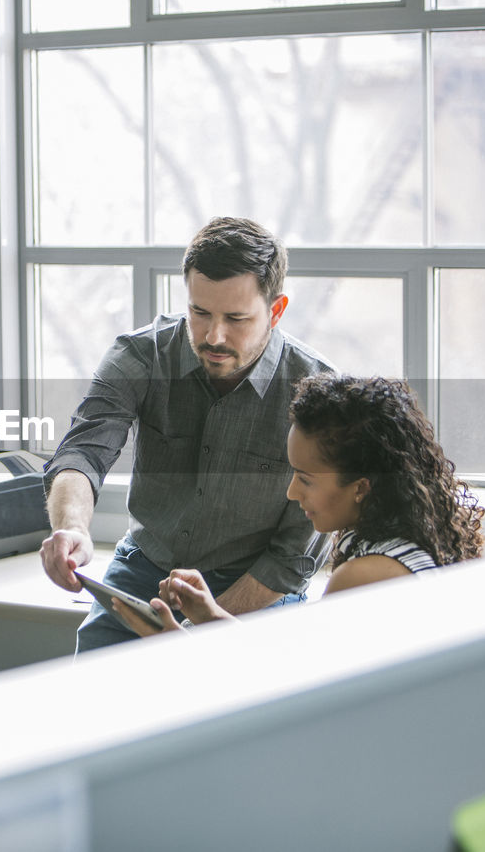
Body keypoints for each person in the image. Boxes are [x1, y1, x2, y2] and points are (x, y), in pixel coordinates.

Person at [40, 216, 336, 652]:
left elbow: (292, 558)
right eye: (200, 313)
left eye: (236, 318)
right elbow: (83, 452)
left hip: (256, 582)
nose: (214, 336)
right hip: (147, 568)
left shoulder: (316, 391)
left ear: (275, 310)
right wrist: (72, 529)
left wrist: (196, 629)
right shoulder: (141, 355)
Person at [111, 375, 485, 635]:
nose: (291, 493)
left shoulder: (366, 578)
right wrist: (211, 616)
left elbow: (293, 688)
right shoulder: (407, 547)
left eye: (306, 479)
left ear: (360, 487)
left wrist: (177, 645)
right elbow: (296, 660)